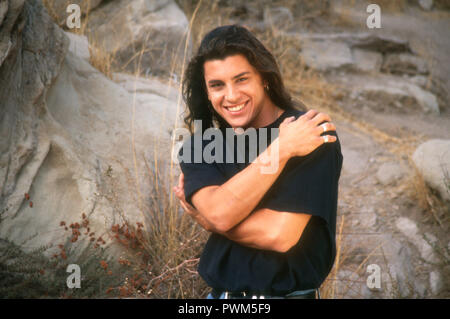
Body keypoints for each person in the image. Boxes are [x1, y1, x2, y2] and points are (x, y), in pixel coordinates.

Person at [173, 24, 343, 299]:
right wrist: (282, 149)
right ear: (206, 92)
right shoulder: (199, 147)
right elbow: (219, 213)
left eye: (241, 79)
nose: (231, 96)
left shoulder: (310, 133)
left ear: (264, 77)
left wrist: (210, 222)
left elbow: (279, 235)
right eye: (217, 85)